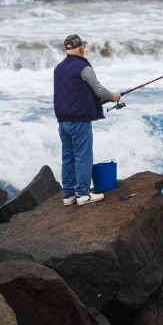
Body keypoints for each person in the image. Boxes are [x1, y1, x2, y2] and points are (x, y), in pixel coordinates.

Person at [53, 34, 120, 207]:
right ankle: (83, 194)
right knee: (83, 156)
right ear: (81, 48)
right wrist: (113, 96)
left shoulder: (58, 68)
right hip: (79, 121)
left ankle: (68, 195)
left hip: (63, 121)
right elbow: (100, 92)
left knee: (68, 157)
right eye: (83, 46)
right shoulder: (84, 68)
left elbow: (73, 92)